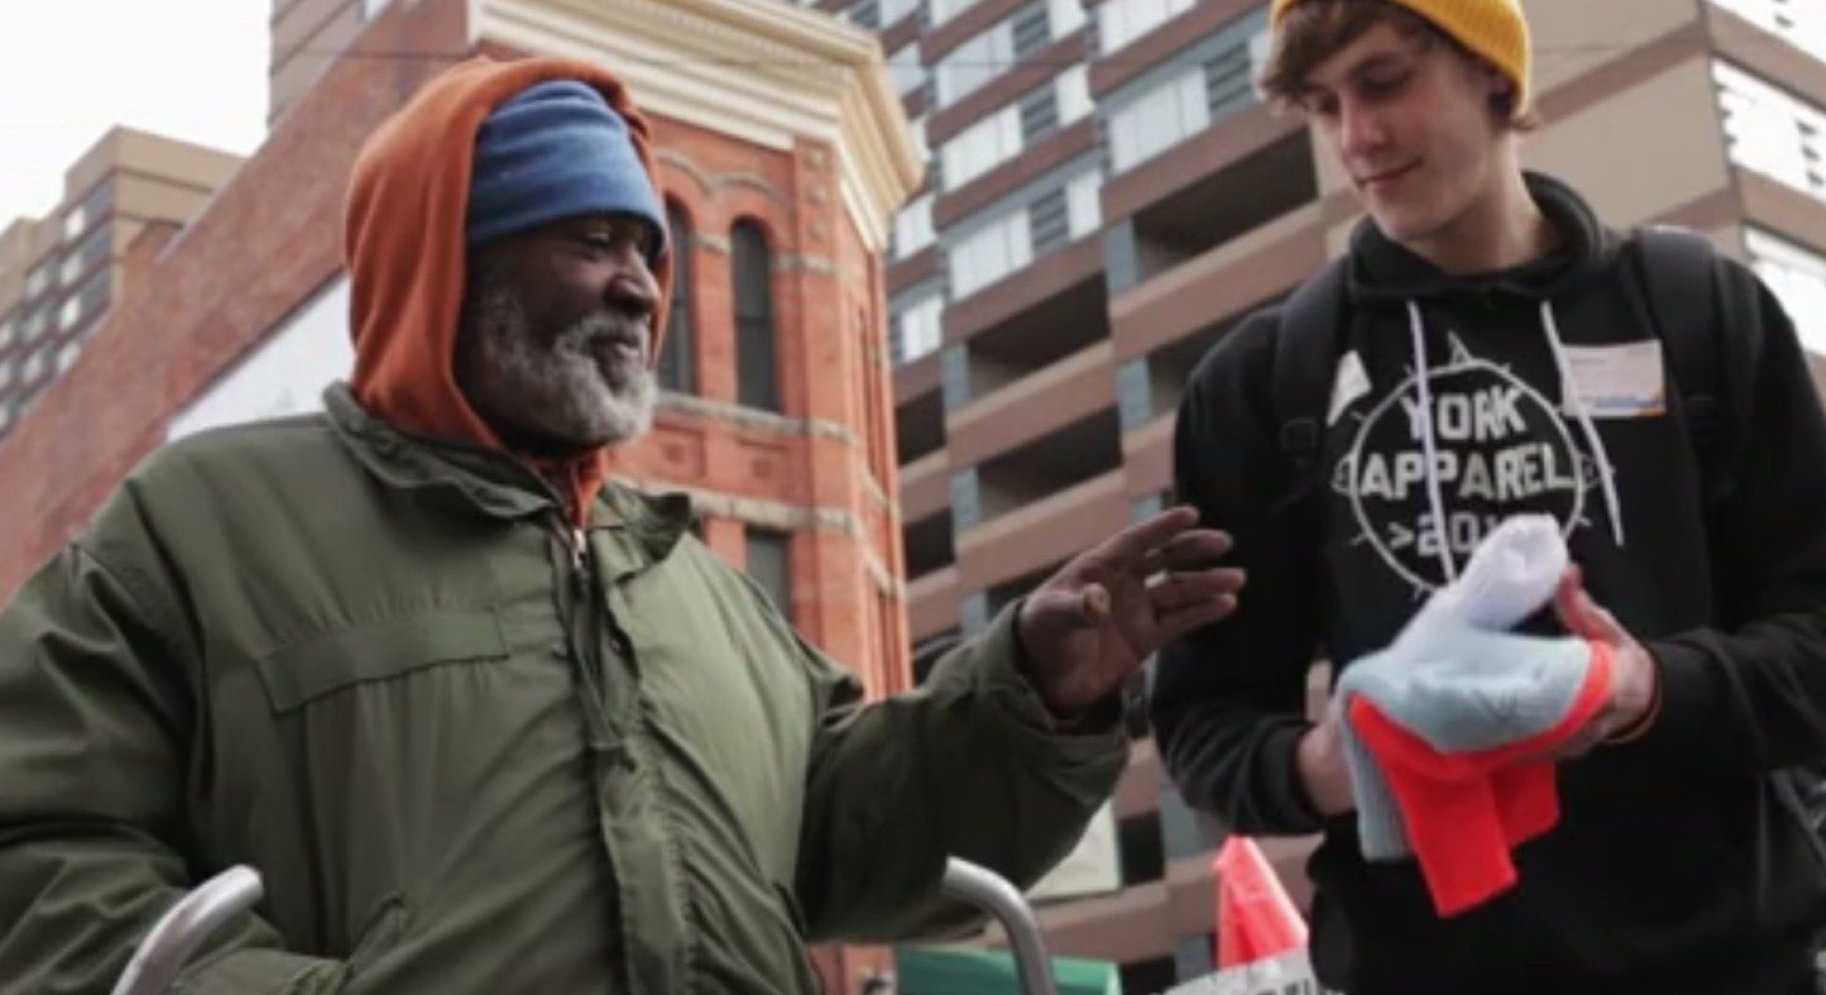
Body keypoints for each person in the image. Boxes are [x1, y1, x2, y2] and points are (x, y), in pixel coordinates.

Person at [0, 57, 1246, 994]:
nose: (642, 284)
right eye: (591, 238)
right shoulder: (200, 525)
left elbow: (850, 834)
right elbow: (38, 855)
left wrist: (1031, 688)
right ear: (449, 263)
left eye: (648, 248)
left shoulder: (694, 585)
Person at [1149, 0, 1826, 993]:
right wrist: (1328, 766)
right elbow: (1202, 721)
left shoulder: (1694, 310)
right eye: (1322, 105)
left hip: (1724, 960)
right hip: (1416, 968)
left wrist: (1643, 689)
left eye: (1383, 82)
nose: (1355, 137)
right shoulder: (1263, 382)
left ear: (1492, 72)